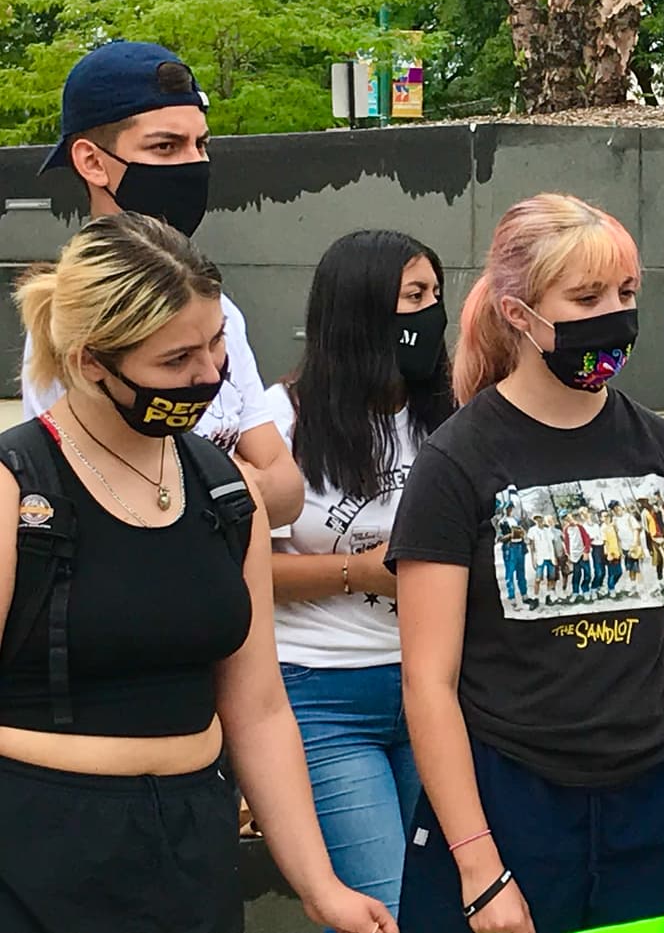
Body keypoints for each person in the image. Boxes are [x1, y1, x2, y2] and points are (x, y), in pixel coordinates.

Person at [0, 212, 395, 933]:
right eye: (177, 359)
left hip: (192, 845)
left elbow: (259, 705)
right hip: (37, 849)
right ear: (92, 360)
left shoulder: (222, 489)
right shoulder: (17, 486)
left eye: (216, 345)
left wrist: (319, 882)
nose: (209, 376)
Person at [385, 193, 664, 933]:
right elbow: (429, 681)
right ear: (519, 314)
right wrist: (480, 865)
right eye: (585, 297)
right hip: (510, 795)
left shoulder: (663, 449)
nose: (615, 315)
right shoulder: (457, 460)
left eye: (625, 294)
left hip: (659, 797)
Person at [21, 40, 303, 529]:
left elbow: (287, 490)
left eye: (201, 145)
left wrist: (207, 489)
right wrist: (233, 484)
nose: (193, 165)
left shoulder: (218, 310)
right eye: (165, 147)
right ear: (91, 162)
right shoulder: (75, 314)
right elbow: (110, 500)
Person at [265, 230, 454, 922]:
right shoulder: (281, 417)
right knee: (386, 906)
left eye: (435, 295)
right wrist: (358, 571)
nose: (432, 312)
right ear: (362, 309)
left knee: (441, 899)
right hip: (325, 694)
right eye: (413, 297)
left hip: (436, 690)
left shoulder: (450, 412)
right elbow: (243, 564)